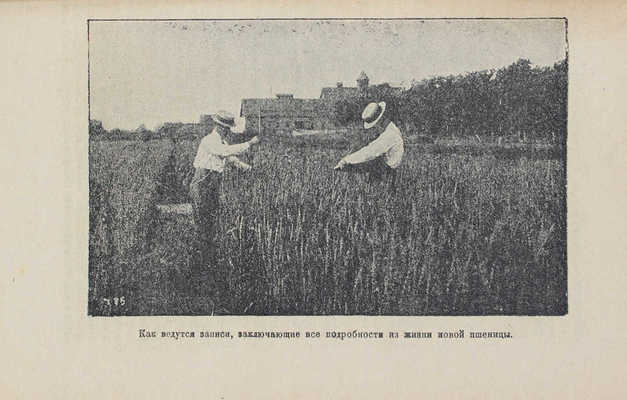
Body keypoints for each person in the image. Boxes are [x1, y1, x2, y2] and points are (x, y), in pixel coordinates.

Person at [189, 110, 259, 271]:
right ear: (219, 127)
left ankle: (208, 259)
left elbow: (231, 159)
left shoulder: (222, 142)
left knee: (211, 220)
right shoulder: (209, 141)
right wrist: (250, 143)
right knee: (203, 222)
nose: (228, 131)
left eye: (229, 129)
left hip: (212, 184)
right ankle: (200, 263)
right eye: (226, 128)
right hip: (201, 184)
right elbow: (224, 152)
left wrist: (249, 168)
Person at [334, 101, 404, 186]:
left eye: (376, 124)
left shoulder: (389, 135)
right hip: (385, 170)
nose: (375, 127)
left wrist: (346, 160)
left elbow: (370, 152)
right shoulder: (391, 129)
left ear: (380, 120)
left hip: (386, 174)